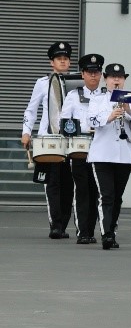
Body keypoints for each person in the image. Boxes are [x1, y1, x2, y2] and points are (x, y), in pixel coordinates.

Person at [84, 63, 131, 250]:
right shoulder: (97, 99)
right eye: (113, 77)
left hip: (124, 155)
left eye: (120, 77)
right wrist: (110, 116)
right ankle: (106, 234)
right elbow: (90, 120)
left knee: (117, 197)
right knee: (106, 196)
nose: (117, 80)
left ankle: (112, 231)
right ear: (105, 79)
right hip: (102, 155)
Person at [20, 41, 75, 239]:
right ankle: (55, 225)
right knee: (52, 182)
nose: (63, 61)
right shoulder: (42, 83)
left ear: (69, 62)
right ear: (52, 62)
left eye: (66, 58)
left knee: (68, 184)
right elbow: (31, 109)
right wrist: (26, 131)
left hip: (70, 140)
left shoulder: (76, 82)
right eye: (59, 59)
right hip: (48, 139)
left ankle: (64, 224)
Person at [63, 53, 105, 245]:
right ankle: (82, 231)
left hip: (101, 148)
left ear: (101, 74)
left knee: (96, 191)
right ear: (83, 74)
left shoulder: (106, 96)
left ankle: (91, 229)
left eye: (96, 72)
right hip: (79, 148)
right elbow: (63, 122)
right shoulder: (73, 96)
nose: (93, 75)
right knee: (82, 189)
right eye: (89, 72)